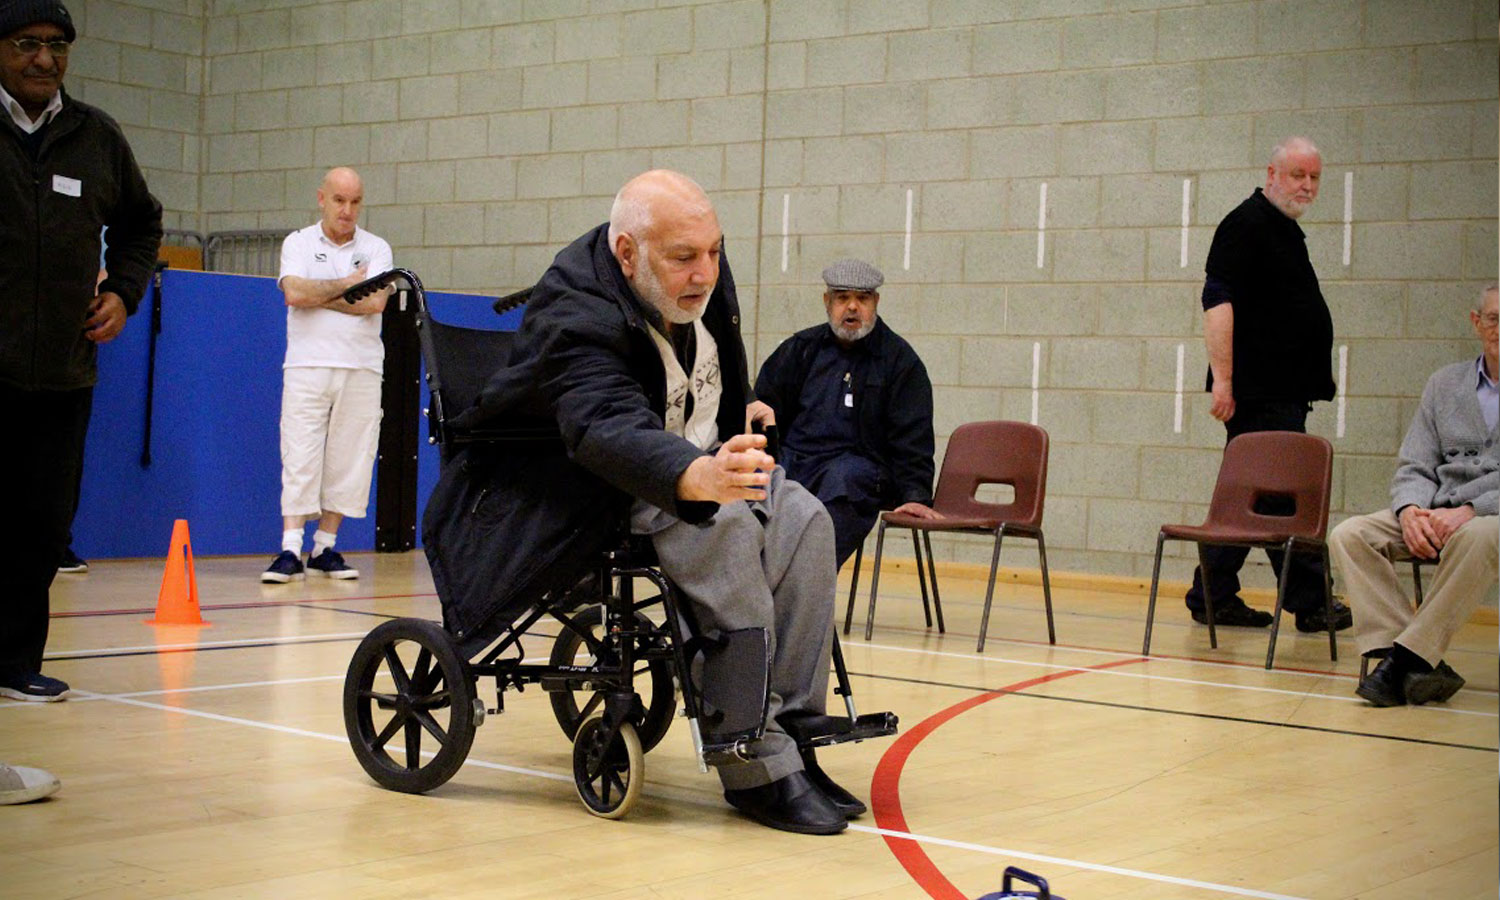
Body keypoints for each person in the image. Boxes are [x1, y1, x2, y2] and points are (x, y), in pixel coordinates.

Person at [441, 170, 859, 835]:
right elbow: (603, 428)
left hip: (692, 461)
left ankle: (792, 732)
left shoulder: (698, 272)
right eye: (685, 257)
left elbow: (723, 364)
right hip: (588, 484)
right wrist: (696, 475)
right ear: (629, 252)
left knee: (806, 517)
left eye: (715, 252)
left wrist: (736, 430)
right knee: (724, 530)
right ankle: (749, 763)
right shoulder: (573, 310)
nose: (707, 272)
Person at [0, 0, 162, 702]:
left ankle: (13, 665)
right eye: (27, 43)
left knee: (41, 527)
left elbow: (142, 223)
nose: (45, 58)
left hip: (63, 376)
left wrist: (125, 292)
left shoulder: (95, 137)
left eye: (59, 44)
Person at [1188, 135, 1352, 634]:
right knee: (1281, 493)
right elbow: (1217, 301)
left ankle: (1212, 595)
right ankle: (1309, 600)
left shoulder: (1279, 228)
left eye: (1314, 177)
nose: (1307, 185)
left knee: (1250, 495)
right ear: (1272, 174)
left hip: (1276, 394)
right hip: (1258, 395)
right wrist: (1223, 381)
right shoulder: (1247, 224)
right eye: (1297, 175)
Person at [1334, 284, 1499, 707]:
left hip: (1486, 516)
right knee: (1351, 534)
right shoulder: (1444, 384)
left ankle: (1404, 660)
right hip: (1435, 508)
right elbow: (1415, 463)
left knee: (1477, 536)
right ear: (1476, 322)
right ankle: (1417, 662)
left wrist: (1469, 510)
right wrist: (1409, 510)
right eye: (1494, 319)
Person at [754, 259, 940, 568]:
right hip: (794, 458)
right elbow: (762, 411)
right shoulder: (799, 349)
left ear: (875, 303)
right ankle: (750, 584)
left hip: (856, 467)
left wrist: (916, 495)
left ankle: (803, 585)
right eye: (842, 298)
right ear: (827, 302)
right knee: (756, 477)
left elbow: (914, 437)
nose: (852, 307)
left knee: (845, 480)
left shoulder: (899, 362)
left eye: (862, 298)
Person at [262, 167, 392, 583]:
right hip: (307, 363)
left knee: (351, 456)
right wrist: (345, 286)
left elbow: (375, 304)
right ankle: (289, 547)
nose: (347, 210)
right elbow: (293, 293)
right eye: (339, 200)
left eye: (355, 202)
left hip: (362, 366)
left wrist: (320, 294)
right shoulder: (298, 242)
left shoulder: (378, 249)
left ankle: (326, 547)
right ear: (322, 198)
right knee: (299, 451)